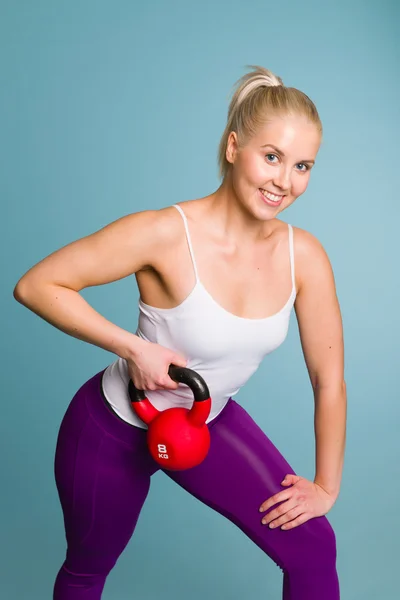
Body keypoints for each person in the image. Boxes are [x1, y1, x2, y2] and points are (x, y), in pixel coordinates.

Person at [13, 65, 347, 600]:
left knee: (312, 548)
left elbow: (328, 378)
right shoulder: (165, 233)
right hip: (111, 428)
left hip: (206, 426)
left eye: (302, 165)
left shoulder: (303, 256)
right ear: (235, 146)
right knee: (87, 568)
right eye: (272, 156)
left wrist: (326, 486)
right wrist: (133, 346)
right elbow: (37, 285)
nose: (285, 181)